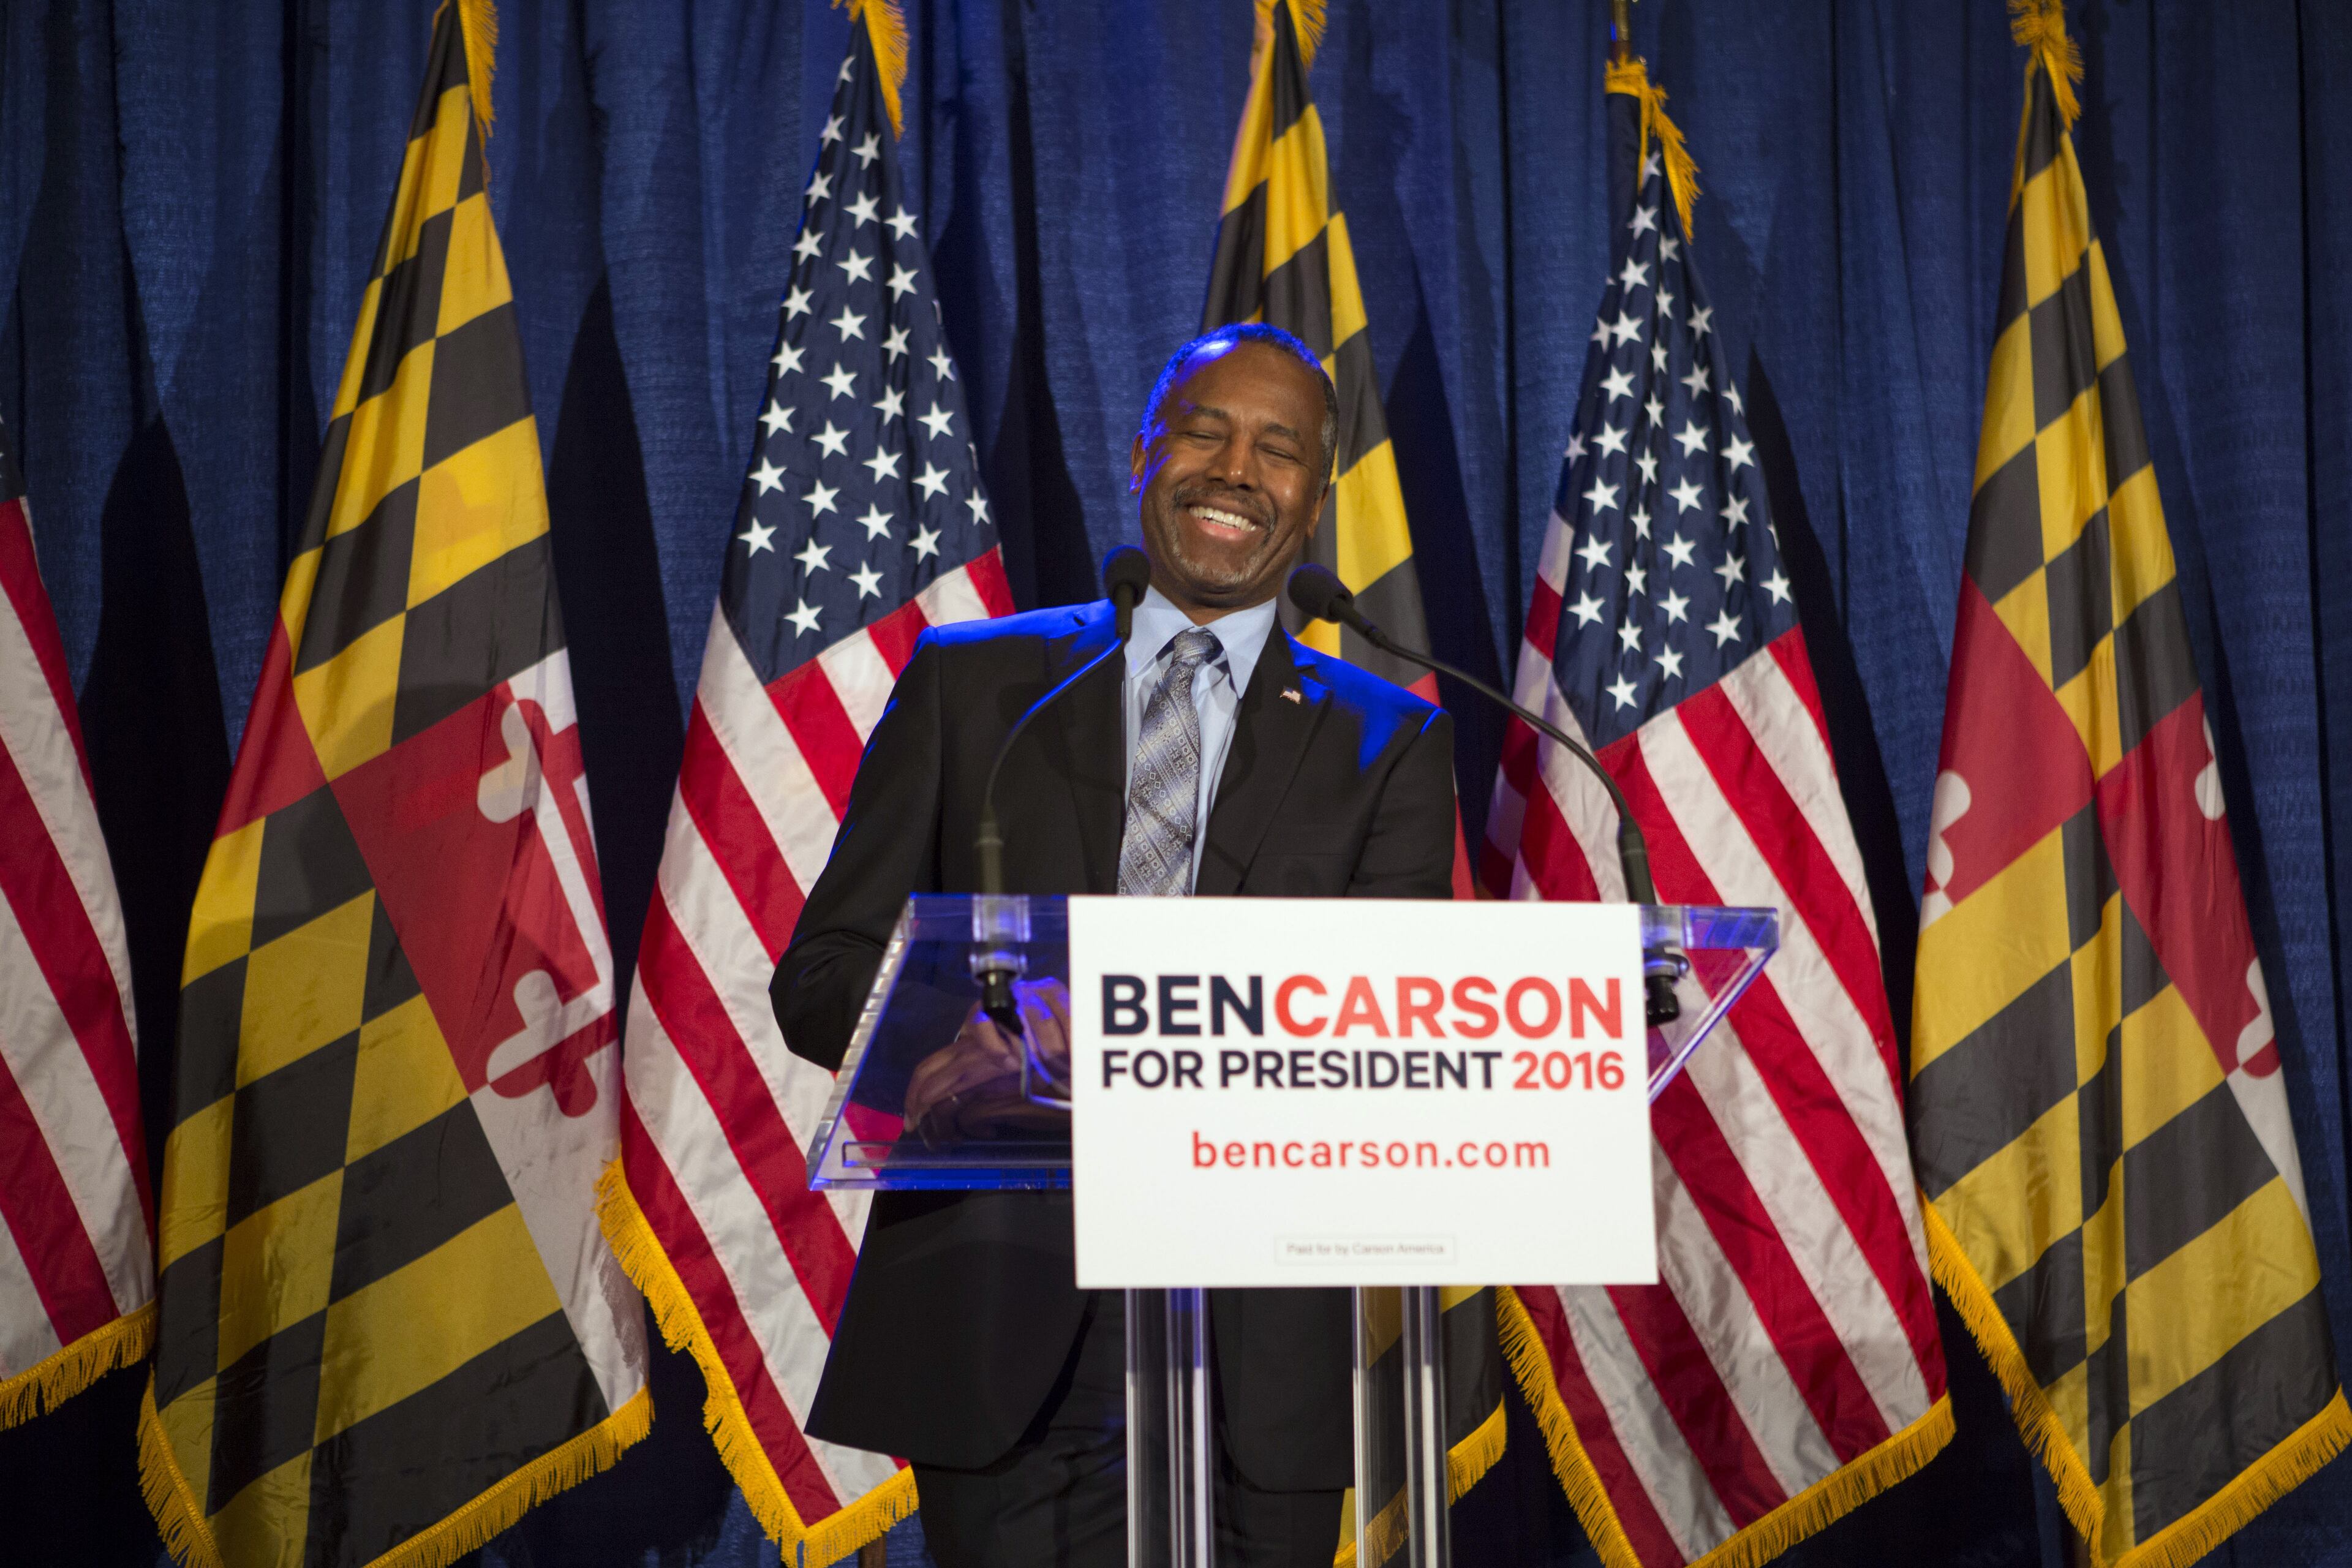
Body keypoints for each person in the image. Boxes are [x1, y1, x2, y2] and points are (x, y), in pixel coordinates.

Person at [771, 324, 1458, 1567]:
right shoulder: (980, 685)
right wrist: (977, 1035)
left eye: (1279, 449)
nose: (1237, 470)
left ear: (1315, 498)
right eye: (1205, 430)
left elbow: (1391, 1036)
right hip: (1003, 1311)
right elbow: (821, 975)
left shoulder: (1389, 740)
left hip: (1260, 1343)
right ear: (1145, 449)